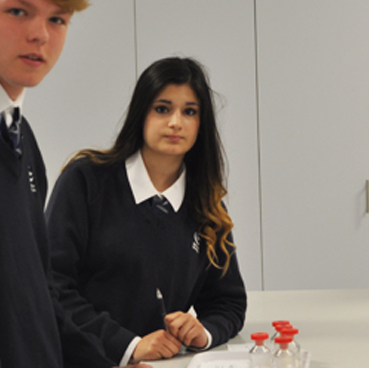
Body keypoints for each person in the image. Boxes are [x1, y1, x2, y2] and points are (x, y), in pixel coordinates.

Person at [0, 0, 150, 367]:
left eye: (57, 19)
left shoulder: (20, 138)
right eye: (18, 12)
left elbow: (40, 298)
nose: (40, 35)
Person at [45, 57, 247, 365]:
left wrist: (203, 332)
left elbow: (228, 302)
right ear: (141, 113)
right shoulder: (85, 181)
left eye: (189, 111)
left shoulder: (206, 204)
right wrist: (128, 346)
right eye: (162, 109)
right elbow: (53, 285)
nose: (176, 122)